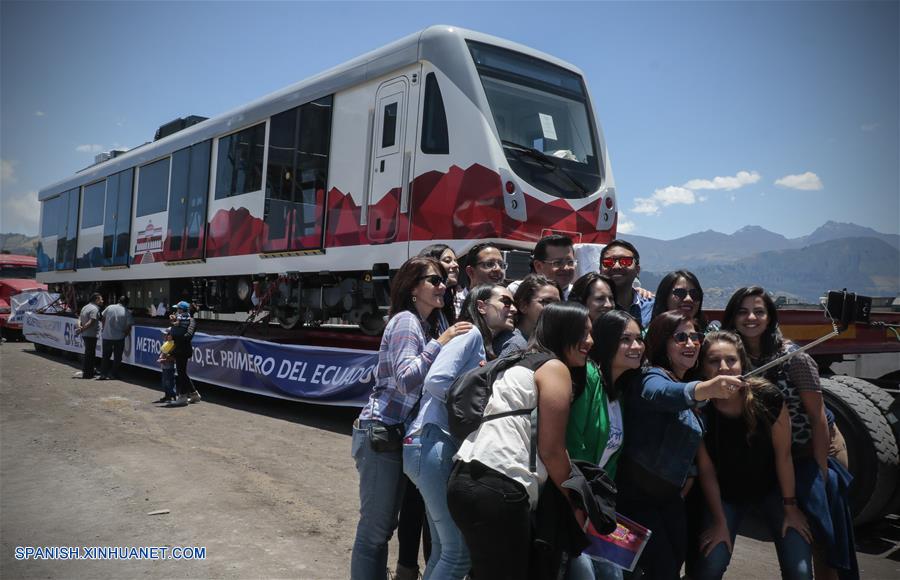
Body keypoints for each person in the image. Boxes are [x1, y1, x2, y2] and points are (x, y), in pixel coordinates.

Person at [447, 302, 593, 580]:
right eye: (583, 332)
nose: (590, 341)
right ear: (563, 332)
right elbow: (551, 450)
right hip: (500, 486)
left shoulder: (518, 361)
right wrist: (574, 500)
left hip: (463, 479)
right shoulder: (554, 368)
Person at [722, 287, 857, 580]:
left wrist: (820, 475)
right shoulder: (731, 357)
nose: (751, 317)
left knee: (822, 531)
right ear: (732, 317)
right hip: (774, 457)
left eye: (759, 311)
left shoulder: (794, 357)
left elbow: (818, 418)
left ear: (770, 317)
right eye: (742, 311)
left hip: (814, 450)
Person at [350, 257, 472, 580]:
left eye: (443, 280)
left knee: (382, 529)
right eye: (434, 280)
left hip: (392, 434)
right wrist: (440, 343)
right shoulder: (406, 321)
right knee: (375, 532)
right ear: (413, 288)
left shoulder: (427, 323)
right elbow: (406, 379)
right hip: (380, 432)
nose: (442, 285)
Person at [616, 310, 746, 579]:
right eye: (680, 337)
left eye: (695, 336)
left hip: (670, 500)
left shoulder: (683, 380)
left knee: (673, 566)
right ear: (663, 342)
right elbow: (661, 394)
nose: (690, 343)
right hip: (637, 501)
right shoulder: (650, 376)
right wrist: (705, 389)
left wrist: (689, 475)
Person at [404, 283, 516, 579]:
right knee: (458, 555)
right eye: (504, 301)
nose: (512, 308)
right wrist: (475, 409)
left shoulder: (481, 341)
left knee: (444, 549)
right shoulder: (471, 333)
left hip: (431, 444)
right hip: (432, 442)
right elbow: (436, 381)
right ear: (481, 306)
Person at [690, 330, 813, 580]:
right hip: (726, 496)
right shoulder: (699, 408)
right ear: (703, 368)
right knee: (712, 564)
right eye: (714, 361)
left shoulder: (768, 397)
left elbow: (784, 456)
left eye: (731, 360)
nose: (723, 368)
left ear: (742, 364)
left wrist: (790, 507)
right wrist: (719, 521)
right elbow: (706, 470)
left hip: (773, 492)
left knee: (799, 571)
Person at [566, 310, 644, 580]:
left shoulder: (618, 392)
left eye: (639, 338)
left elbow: (608, 462)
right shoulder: (587, 377)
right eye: (625, 339)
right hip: (570, 503)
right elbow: (572, 445)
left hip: (594, 508)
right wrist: (580, 505)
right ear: (607, 341)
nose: (636, 346)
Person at [498, 274, 561, 357]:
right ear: (523, 306)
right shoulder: (515, 344)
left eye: (557, 303)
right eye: (546, 302)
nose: (554, 308)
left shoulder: (546, 342)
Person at [599, 240, 654, 327]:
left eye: (625, 261)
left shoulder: (652, 308)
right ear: (600, 270)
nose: (616, 266)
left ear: (637, 270)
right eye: (608, 262)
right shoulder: (590, 307)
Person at [520, 234, 578, 298]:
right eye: (557, 263)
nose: (566, 268)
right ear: (538, 266)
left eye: (570, 262)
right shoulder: (521, 291)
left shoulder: (581, 295)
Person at [169, 301, 201, 406]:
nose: (176, 311)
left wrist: (176, 330)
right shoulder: (180, 320)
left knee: (181, 373)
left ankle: (183, 396)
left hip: (184, 349)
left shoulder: (191, 321)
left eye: (178, 309)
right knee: (182, 373)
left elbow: (188, 335)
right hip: (179, 349)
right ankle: (194, 394)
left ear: (183, 310)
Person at [418, 243, 460, 322]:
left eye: (456, 261)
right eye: (447, 261)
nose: (456, 265)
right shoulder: (411, 317)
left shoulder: (448, 300)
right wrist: (447, 335)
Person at [97, 295, 133, 380]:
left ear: (118, 300)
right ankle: (113, 374)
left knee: (105, 356)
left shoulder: (109, 307)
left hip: (107, 336)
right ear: (127, 303)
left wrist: (104, 328)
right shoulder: (127, 312)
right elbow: (129, 326)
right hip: (119, 338)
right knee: (117, 357)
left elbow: (103, 318)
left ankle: (103, 374)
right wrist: (124, 334)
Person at [75, 292, 103, 379]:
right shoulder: (94, 309)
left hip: (85, 334)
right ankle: (88, 374)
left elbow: (79, 318)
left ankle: (88, 372)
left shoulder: (85, 307)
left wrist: (80, 326)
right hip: (91, 334)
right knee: (90, 355)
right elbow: (91, 321)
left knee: (88, 354)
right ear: (96, 299)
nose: (102, 300)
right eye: (100, 299)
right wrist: (82, 328)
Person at [155, 328, 178, 404]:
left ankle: (173, 396)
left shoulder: (173, 344)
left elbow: (173, 357)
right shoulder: (167, 343)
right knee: (164, 382)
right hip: (165, 367)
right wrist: (161, 357)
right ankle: (167, 395)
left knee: (169, 382)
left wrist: (163, 360)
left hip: (169, 367)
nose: (164, 335)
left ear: (171, 335)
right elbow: (163, 353)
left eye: (167, 334)